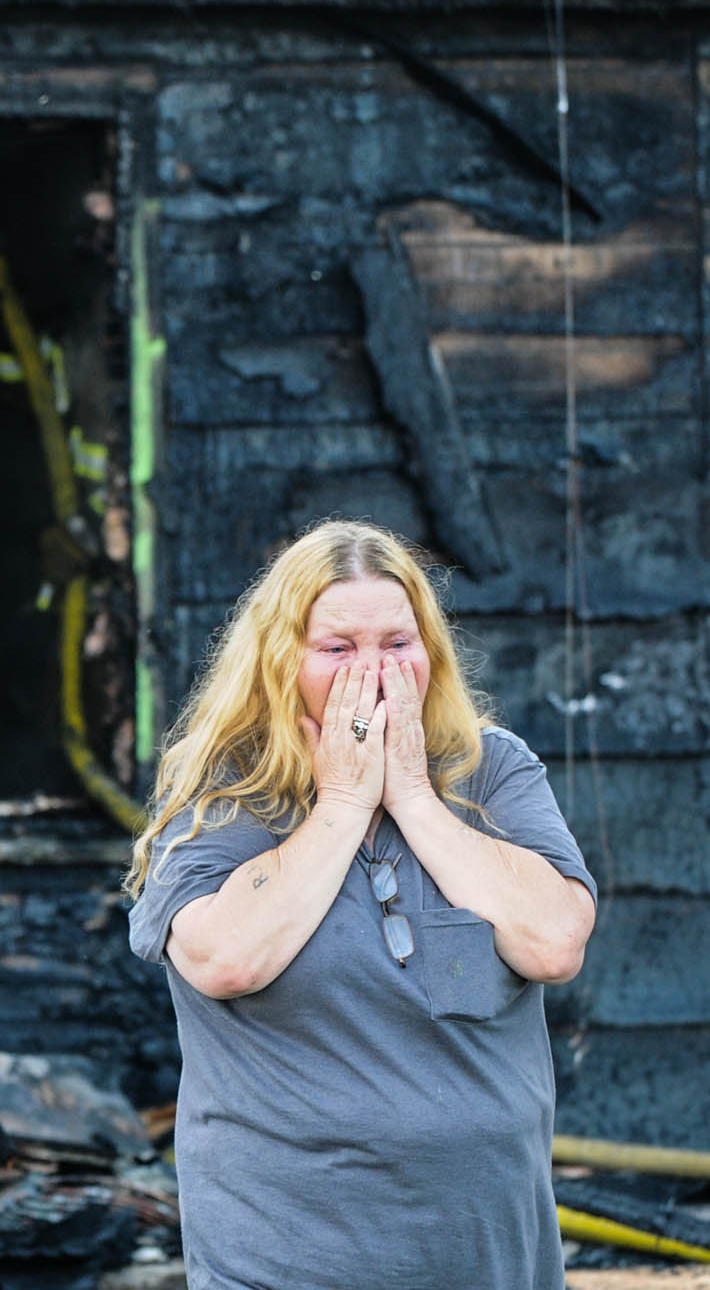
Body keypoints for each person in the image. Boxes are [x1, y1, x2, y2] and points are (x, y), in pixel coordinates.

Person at [125, 520, 597, 1290]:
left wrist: (412, 795)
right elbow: (226, 958)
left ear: (431, 653)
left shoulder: (493, 770)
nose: (373, 674)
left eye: (397, 644)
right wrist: (343, 802)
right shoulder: (226, 791)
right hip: (285, 1264)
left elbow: (555, 943)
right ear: (282, 662)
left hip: (491, 1264)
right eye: (338, 650)